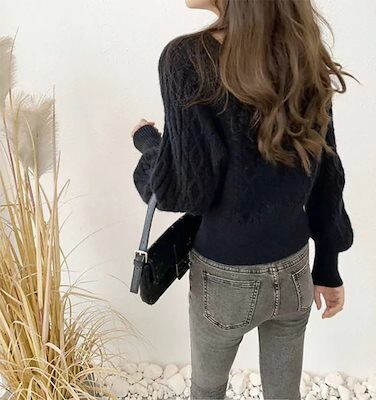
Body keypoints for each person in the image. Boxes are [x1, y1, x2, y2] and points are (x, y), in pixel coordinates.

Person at [130, 0, 355, 399]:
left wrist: (148, 143)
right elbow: (327, 173)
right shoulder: (301, 52)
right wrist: (328, 267)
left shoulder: (186, 58)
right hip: (294, 269)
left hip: (224, 277)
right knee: (284, 393)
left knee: (207, 389)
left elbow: (181, 190)